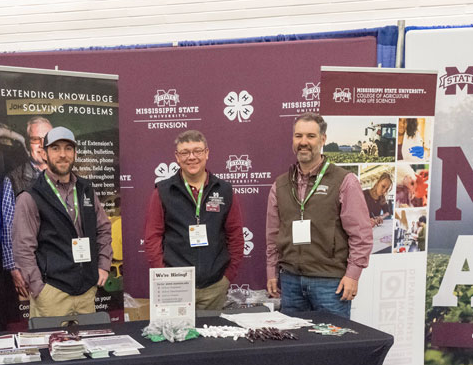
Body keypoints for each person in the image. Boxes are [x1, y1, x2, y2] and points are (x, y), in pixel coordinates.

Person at [265, 113, 372, 318]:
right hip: (290, 281)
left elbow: (361, 234)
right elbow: (273, 234)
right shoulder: (280, 185)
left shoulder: (344, 181)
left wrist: (353, 275)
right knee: (294, 347)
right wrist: (272, 271)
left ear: (323, 139)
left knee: (332, 347)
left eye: (310, 136)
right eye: (298, 136)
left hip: (330, 283)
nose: (303, 142)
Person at [11, 127, 112, 318]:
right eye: (55, 148)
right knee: (50, 347)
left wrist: (103, 265)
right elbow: (23, 247)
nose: (62, 154)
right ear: (44, 153)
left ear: (75, 153)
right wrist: (39, 289)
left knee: (87, 346)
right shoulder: (30, 196)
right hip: (51, 295)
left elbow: (103, 228)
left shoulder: (86, 190)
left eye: (68, 148)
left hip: (86, 293)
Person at [143, 130, 244, 310]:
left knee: (212, 337)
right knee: (176, 336)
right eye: (185, 152)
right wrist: (164, 276)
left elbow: (235, 235)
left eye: (197, 151)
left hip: (214, 286)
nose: (192, 157)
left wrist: (227, 276)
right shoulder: (163, 191)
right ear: (177, 157)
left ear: (206, 153)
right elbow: (153, 237)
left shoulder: (224, 190)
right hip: (175, 286)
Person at [0, 116, 52, 299]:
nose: (42, 145)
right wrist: (14, 270)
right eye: (35, 140)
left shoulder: (68, 178)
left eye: (47, 139)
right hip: (29, 273)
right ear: (27, 143)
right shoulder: (14, 180)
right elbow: (8, 229)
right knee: (34, 324)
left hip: (63, 272)